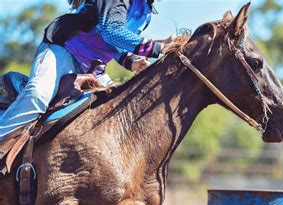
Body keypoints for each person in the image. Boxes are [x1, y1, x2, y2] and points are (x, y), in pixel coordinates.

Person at [0, 0, 173, 157]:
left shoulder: (146, 12)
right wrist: (158, 47)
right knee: (37, 96)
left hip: (93, 68)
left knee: (116, 112)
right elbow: (111, 31)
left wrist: (131, 62)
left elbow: (115, 43)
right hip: (64, 50)